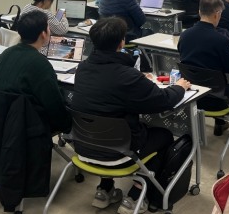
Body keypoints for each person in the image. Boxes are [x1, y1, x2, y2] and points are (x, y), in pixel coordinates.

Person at [71, 17, 191, 213]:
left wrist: (138, 80)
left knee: (104, 128)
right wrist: (179, 87)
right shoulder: (127, 76)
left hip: (83, 146)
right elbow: (163, 100)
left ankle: (105, 190)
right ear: (121, 42)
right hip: (119, 154)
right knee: (164, 136)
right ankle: (136, 196)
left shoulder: (83, 68)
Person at [177, 0, 229, 144]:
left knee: (212, 79)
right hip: (218, 101)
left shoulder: (184, 35)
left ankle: (220, 124)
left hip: (193, 97)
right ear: (217, 14)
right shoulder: (221, 40)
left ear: (199, 12)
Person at [0, 11, 71, 135]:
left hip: (1, 119)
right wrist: (66, 126)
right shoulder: (40, 64)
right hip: (28, 124)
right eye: (48, 28)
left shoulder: (6, 53)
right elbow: (53, 104)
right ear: (43, 34)